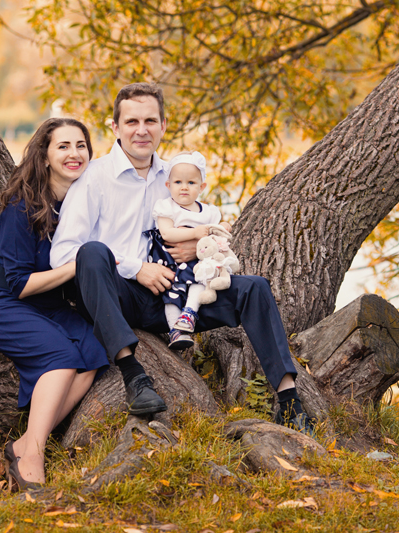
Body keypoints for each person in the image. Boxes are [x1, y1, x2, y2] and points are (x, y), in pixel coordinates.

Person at [49, 83, 314, 434]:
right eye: (131, 122)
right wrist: (136, 269)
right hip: (115, 295)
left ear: (163, 126)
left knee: (254, 288)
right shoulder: (94, 178)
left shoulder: (176, 176)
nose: (141, 130)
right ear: (115, 127)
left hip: (174, 294)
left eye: (150, 121)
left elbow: (205, 227)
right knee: (93, 251)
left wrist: (195, 244)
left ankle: (290, 402)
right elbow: (63, 253)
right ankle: (134, 377)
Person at [0, 118, 109, 492]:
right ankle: (33, 455)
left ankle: (25, 443)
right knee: (62, 357)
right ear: (45, 156)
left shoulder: (84, 203)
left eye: (80, 145)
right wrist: (75, 266)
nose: (74, 154)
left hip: (50, 305)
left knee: (94, 352)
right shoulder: (22, 206)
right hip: (4, 302)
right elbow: (19, 284)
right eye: (63, 146)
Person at [144, 151, 234, 350]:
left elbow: (215, 230)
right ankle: (174, 330)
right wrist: (195, 233)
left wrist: (223, 226)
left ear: (201, 187)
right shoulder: (167, 207)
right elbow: (167, 233)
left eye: (191, 183)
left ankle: (189, 312)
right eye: (178, 182)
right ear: (168, 185)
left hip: (197, 260)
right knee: (171, 293)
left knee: (202, 278)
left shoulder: (208, 211)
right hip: (169, 259)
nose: (184, 187)